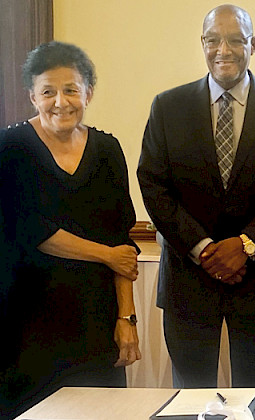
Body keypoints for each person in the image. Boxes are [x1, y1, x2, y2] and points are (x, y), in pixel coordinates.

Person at [137, 4, 255, 389]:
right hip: (188, 276)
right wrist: (202, 248)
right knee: (190, 396)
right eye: (213, 39)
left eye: (235, 40)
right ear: (202, 43)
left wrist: (246, 245)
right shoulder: (168, 107)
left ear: (253, 44)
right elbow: (153, 183)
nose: (224, 50)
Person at [0, 41, 141, 419]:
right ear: (32, 96)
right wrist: (106, 254)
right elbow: (34, 231)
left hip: (94, 321)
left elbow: (122, 242)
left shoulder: (108, 150)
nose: (60, 102)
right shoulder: (10, 148)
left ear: (88, 93)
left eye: (70, 90)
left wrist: (126, 318)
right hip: (24, 325)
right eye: (48, 91)